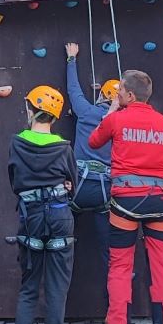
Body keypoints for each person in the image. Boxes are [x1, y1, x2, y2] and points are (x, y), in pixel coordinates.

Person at [89, 70, 163, 324]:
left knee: (119, 269)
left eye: (119, 93)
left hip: (125, 204)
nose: (117, 97)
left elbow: (93, 142)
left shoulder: (116, 119)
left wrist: (112, 110)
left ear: (128, 95)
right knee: (162, 270)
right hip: (160, 203)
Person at [8, 85, 78, 324]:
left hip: (31, 219)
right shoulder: (63, 147)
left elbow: (14, 181)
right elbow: (72, 182)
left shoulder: (17, 143)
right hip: (60, 218)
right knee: (56, 291)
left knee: (28, 288)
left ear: (30, 110)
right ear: (55, 117)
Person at [65, 42, 119, 305]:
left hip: (78, 186)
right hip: (104, 190)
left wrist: (71, 59)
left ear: (102, 96)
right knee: (108, 252)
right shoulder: (121, 123)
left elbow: (74, 91)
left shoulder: (86, 112)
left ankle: (59, 291)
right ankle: (115, 306)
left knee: (62, 239)